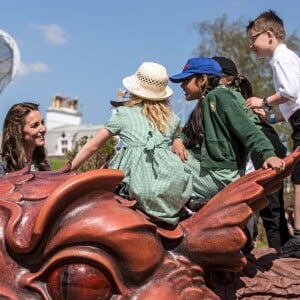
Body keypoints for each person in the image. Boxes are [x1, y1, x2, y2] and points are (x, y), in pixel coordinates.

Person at [70, 62, 193, 225]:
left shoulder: (123, 113)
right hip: (169, 186)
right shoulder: (173, 119)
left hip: (136, 184)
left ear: (135, 90)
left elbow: (93, 146)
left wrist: (68, 169)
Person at [169, 57, 285, 212]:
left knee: (160, 158)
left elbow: (248, 130)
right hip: (215, 171)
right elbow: (189, 131)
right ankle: (191, 201)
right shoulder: (209, 100)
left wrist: (268, 154)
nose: (182, 85)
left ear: (202, 79)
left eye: (186, 80)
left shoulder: (220, 97)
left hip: (221, 176)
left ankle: (187, 203)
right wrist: (178, 139)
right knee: (169, 155)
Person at [212, 56, 290, 249]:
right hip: (265, 156)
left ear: (226, 79)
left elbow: (256, 131)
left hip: (264, 159)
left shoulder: (235, 103)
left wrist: (267, 155)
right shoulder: (224, 102)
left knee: (272, 213)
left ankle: (280, 253)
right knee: (270, 213)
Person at [246, 10, 300, 258]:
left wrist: (264, 101)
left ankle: (298, 236)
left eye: (253, 38)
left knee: (298, 178)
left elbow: (289, 92)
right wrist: (271, 117)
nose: (251, 45)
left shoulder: (280, 59)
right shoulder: (289, 58)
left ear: (269, 35)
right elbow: (293, 102)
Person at [0, 102, 50, 176]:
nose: (43, 128)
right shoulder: (3, 166)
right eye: (35, 125)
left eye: (42, 123)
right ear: (18, 131)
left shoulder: (42, 165)